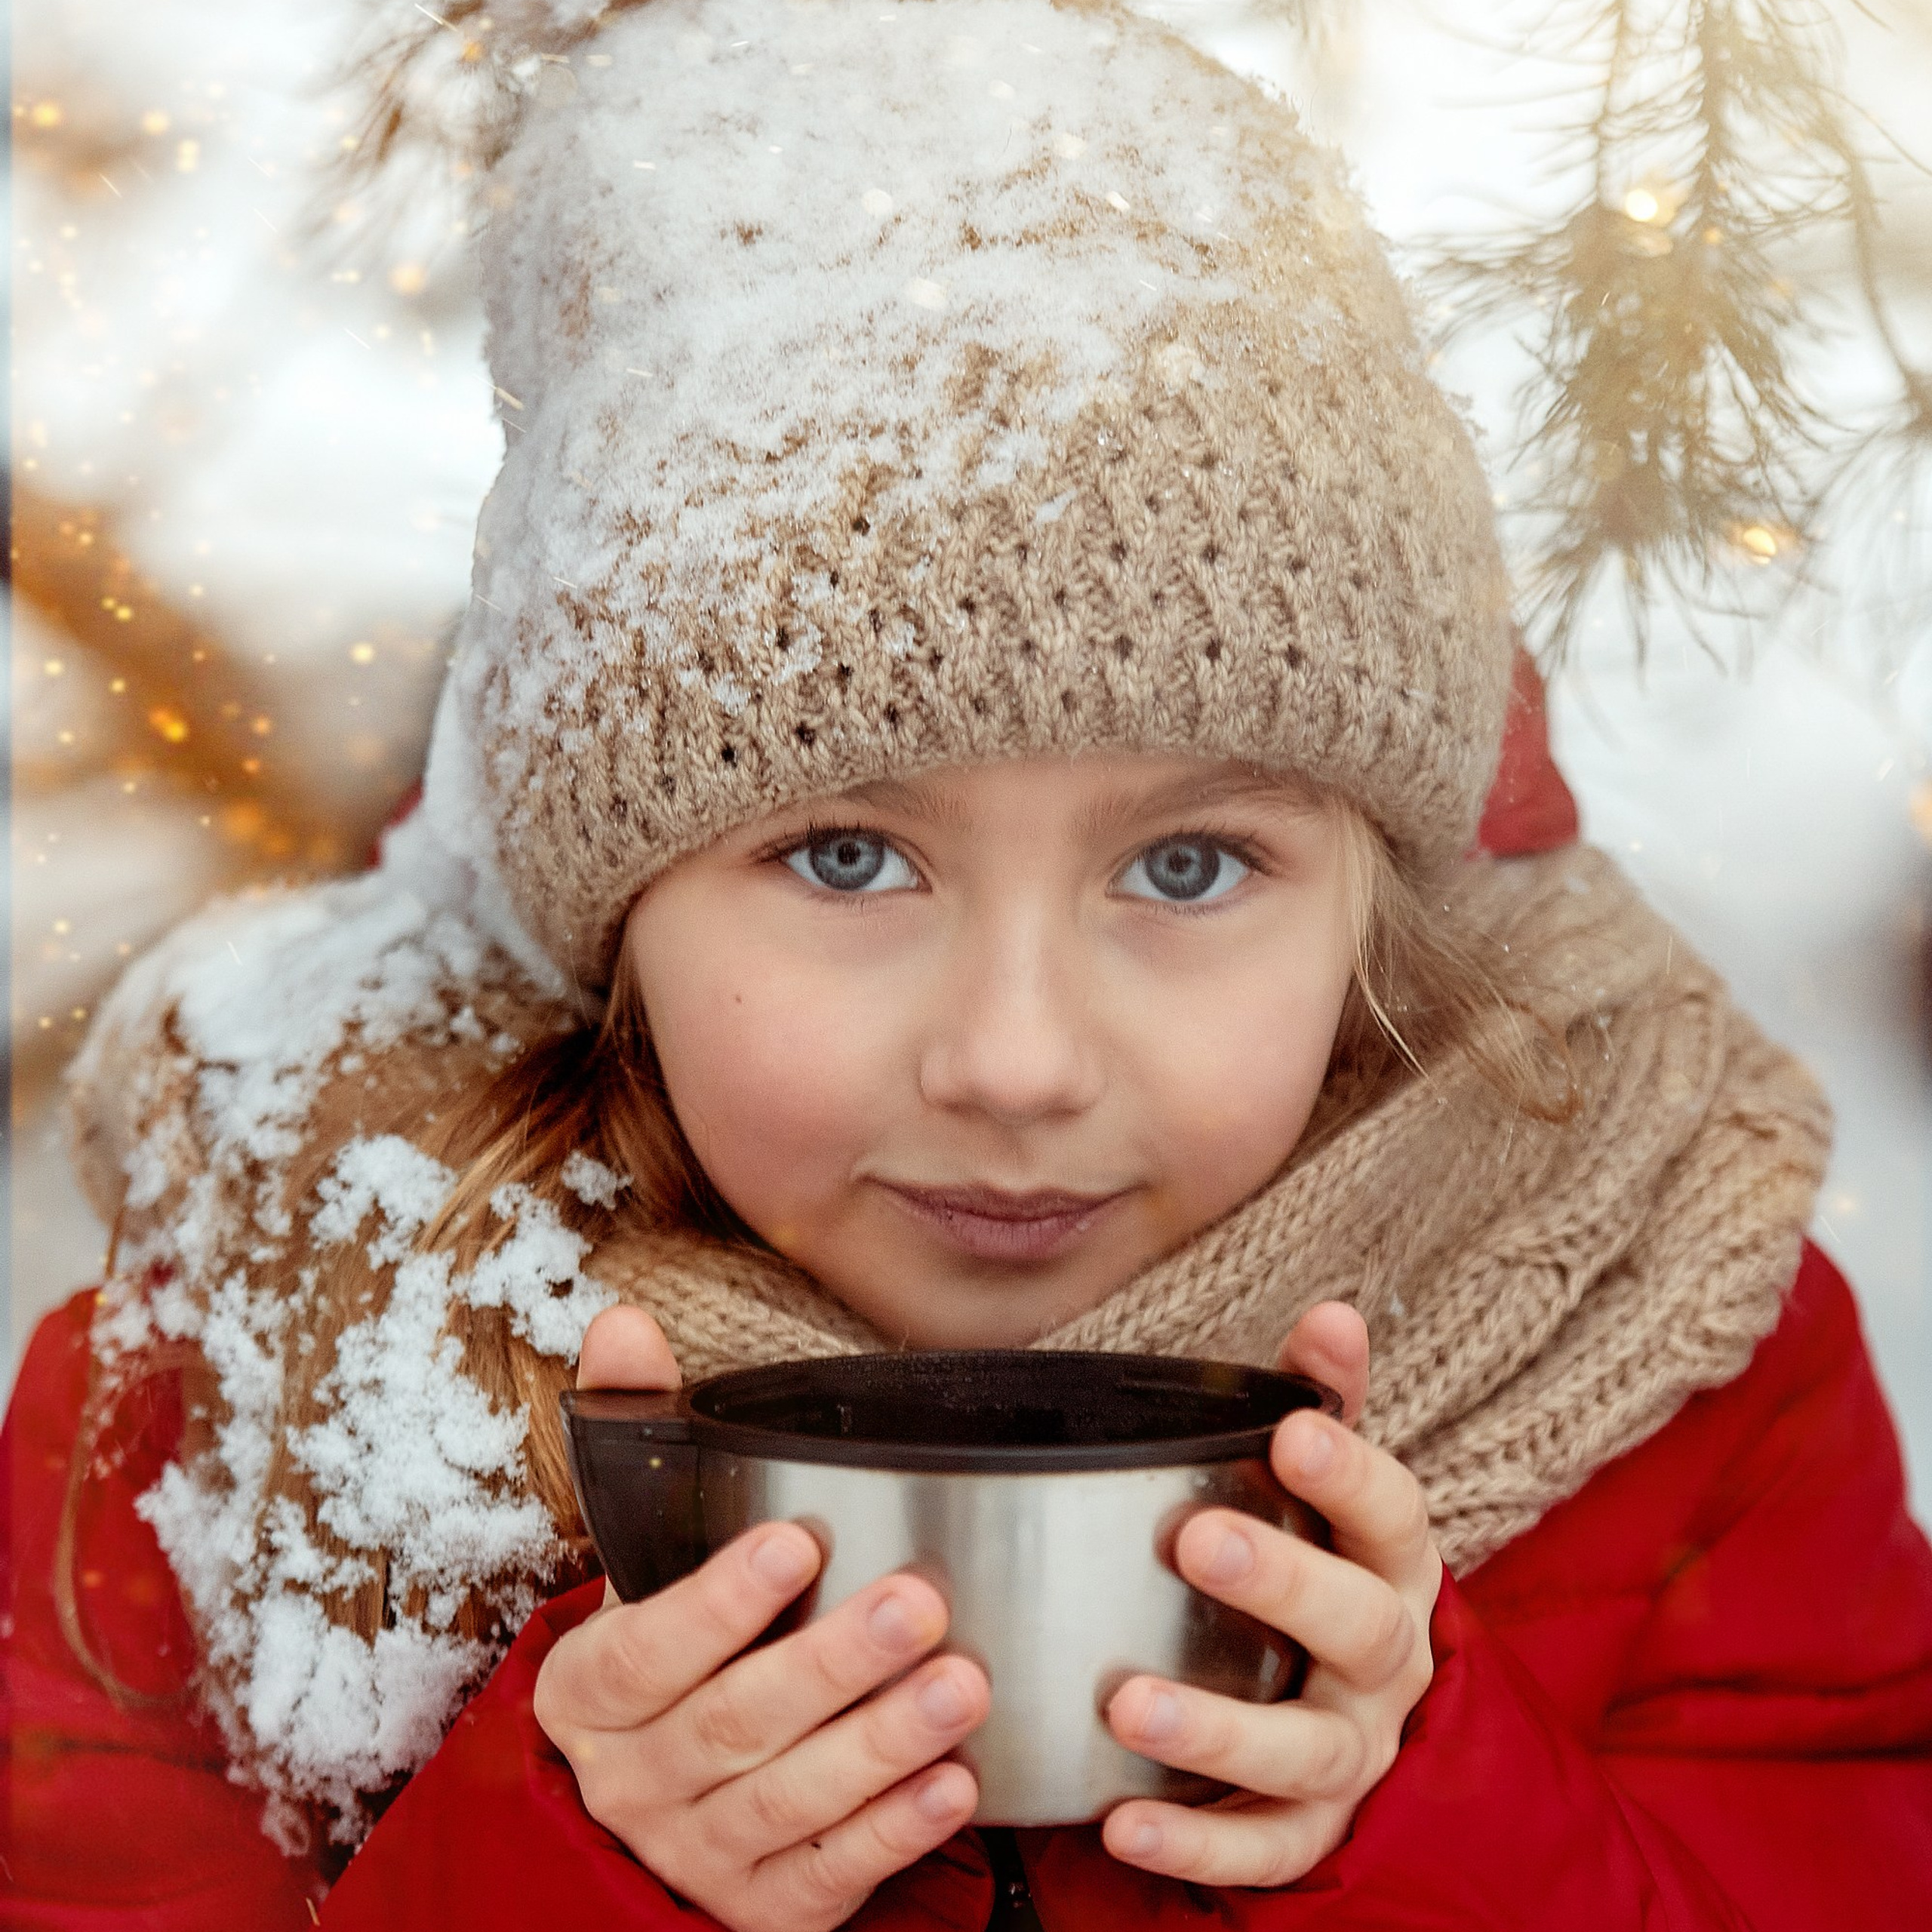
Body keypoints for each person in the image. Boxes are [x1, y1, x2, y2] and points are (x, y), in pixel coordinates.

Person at [5, 1, 1930, 1926]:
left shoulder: (1672, 1349)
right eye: (846, 854)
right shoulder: (242, 1394)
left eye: (1185, 863)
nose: (1015, 1061)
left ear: (1375, 907)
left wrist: (1425, 1828)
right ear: (609, 914)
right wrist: (564, 1872)